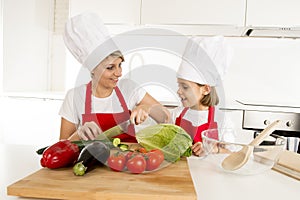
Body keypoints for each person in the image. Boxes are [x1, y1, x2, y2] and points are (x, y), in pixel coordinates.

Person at [59, 13, 169, 142]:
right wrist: (78, 134)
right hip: (92, 162)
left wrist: (148, 108)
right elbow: (61, 146)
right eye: (110, 67)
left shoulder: (129, 88)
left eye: (120, 65)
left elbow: (166, 117)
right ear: (93, 69)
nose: (119, 73)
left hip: (130, 161)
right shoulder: (74, 96)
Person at [169, 36, 235, 156]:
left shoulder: (223, 121)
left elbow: (234, 155)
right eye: (179, 85)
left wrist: (214, 149)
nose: (179, 91)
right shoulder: (175, 115)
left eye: (185, 87)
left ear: (205, 89)